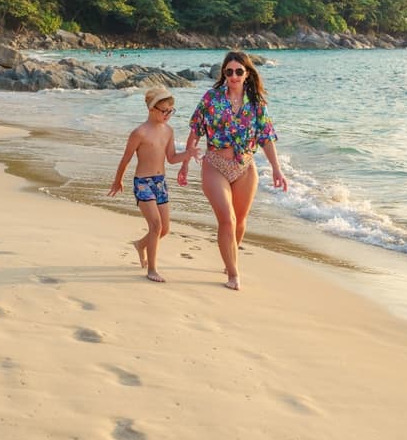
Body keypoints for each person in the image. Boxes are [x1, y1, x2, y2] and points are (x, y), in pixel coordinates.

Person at [178, 50, 287, 291]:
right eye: (229, 72)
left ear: (247, 73)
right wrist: (185, 163)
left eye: (239, 71)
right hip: (215, 164)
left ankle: (230, 260)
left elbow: (266, 138)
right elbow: (195, 131)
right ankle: (234, 273)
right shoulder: (211, 98)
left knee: (239, 222)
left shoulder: (256, 103)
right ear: (224, 74)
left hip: (245, 167)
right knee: (227, 220)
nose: (234, 76)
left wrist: (277, 169)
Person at [108, 86, 199, 283]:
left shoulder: (168, 131)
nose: (168, 114)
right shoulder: (139, 133)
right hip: (143, 183)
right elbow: (125, 159)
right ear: (151, 109)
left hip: (160, 183)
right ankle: (152, 269)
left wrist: (188, 155)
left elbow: (172, 158)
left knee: (164, 229)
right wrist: (118, 181)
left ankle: (141, 245)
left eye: (170, 111)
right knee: (156, 225)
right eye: (164, 110)